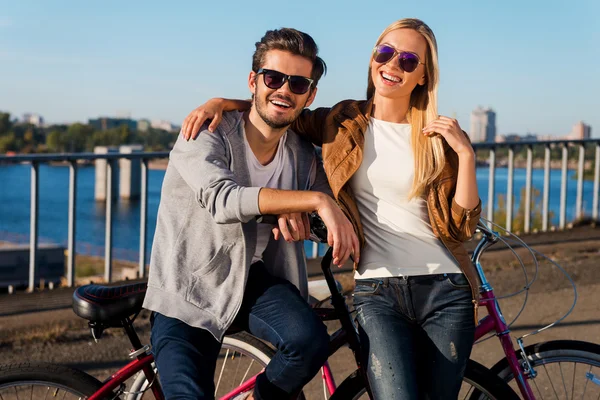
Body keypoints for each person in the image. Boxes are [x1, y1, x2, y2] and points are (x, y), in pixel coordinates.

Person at [181, 18, 482, 399]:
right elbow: (280, 107)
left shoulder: (439, 137)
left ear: (424, 75)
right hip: (378, 288)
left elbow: (461, 228)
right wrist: (221, 103)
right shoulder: (342, 121)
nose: (392, 66)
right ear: (373, 58)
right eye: (385, 53)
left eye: (408, 61)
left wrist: (466, 155)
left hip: (446, 288)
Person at [144, 27, 360, 400]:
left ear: (310, 94)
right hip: (190, 287)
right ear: (253, 81)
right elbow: (223, 200)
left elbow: (327, 210)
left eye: (297, 83)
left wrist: (313, 214)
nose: (283, 90)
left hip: (253, 281)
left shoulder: (301, 154)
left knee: (309, 343)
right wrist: (310, 202)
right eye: (273, 78)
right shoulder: (206, 131)